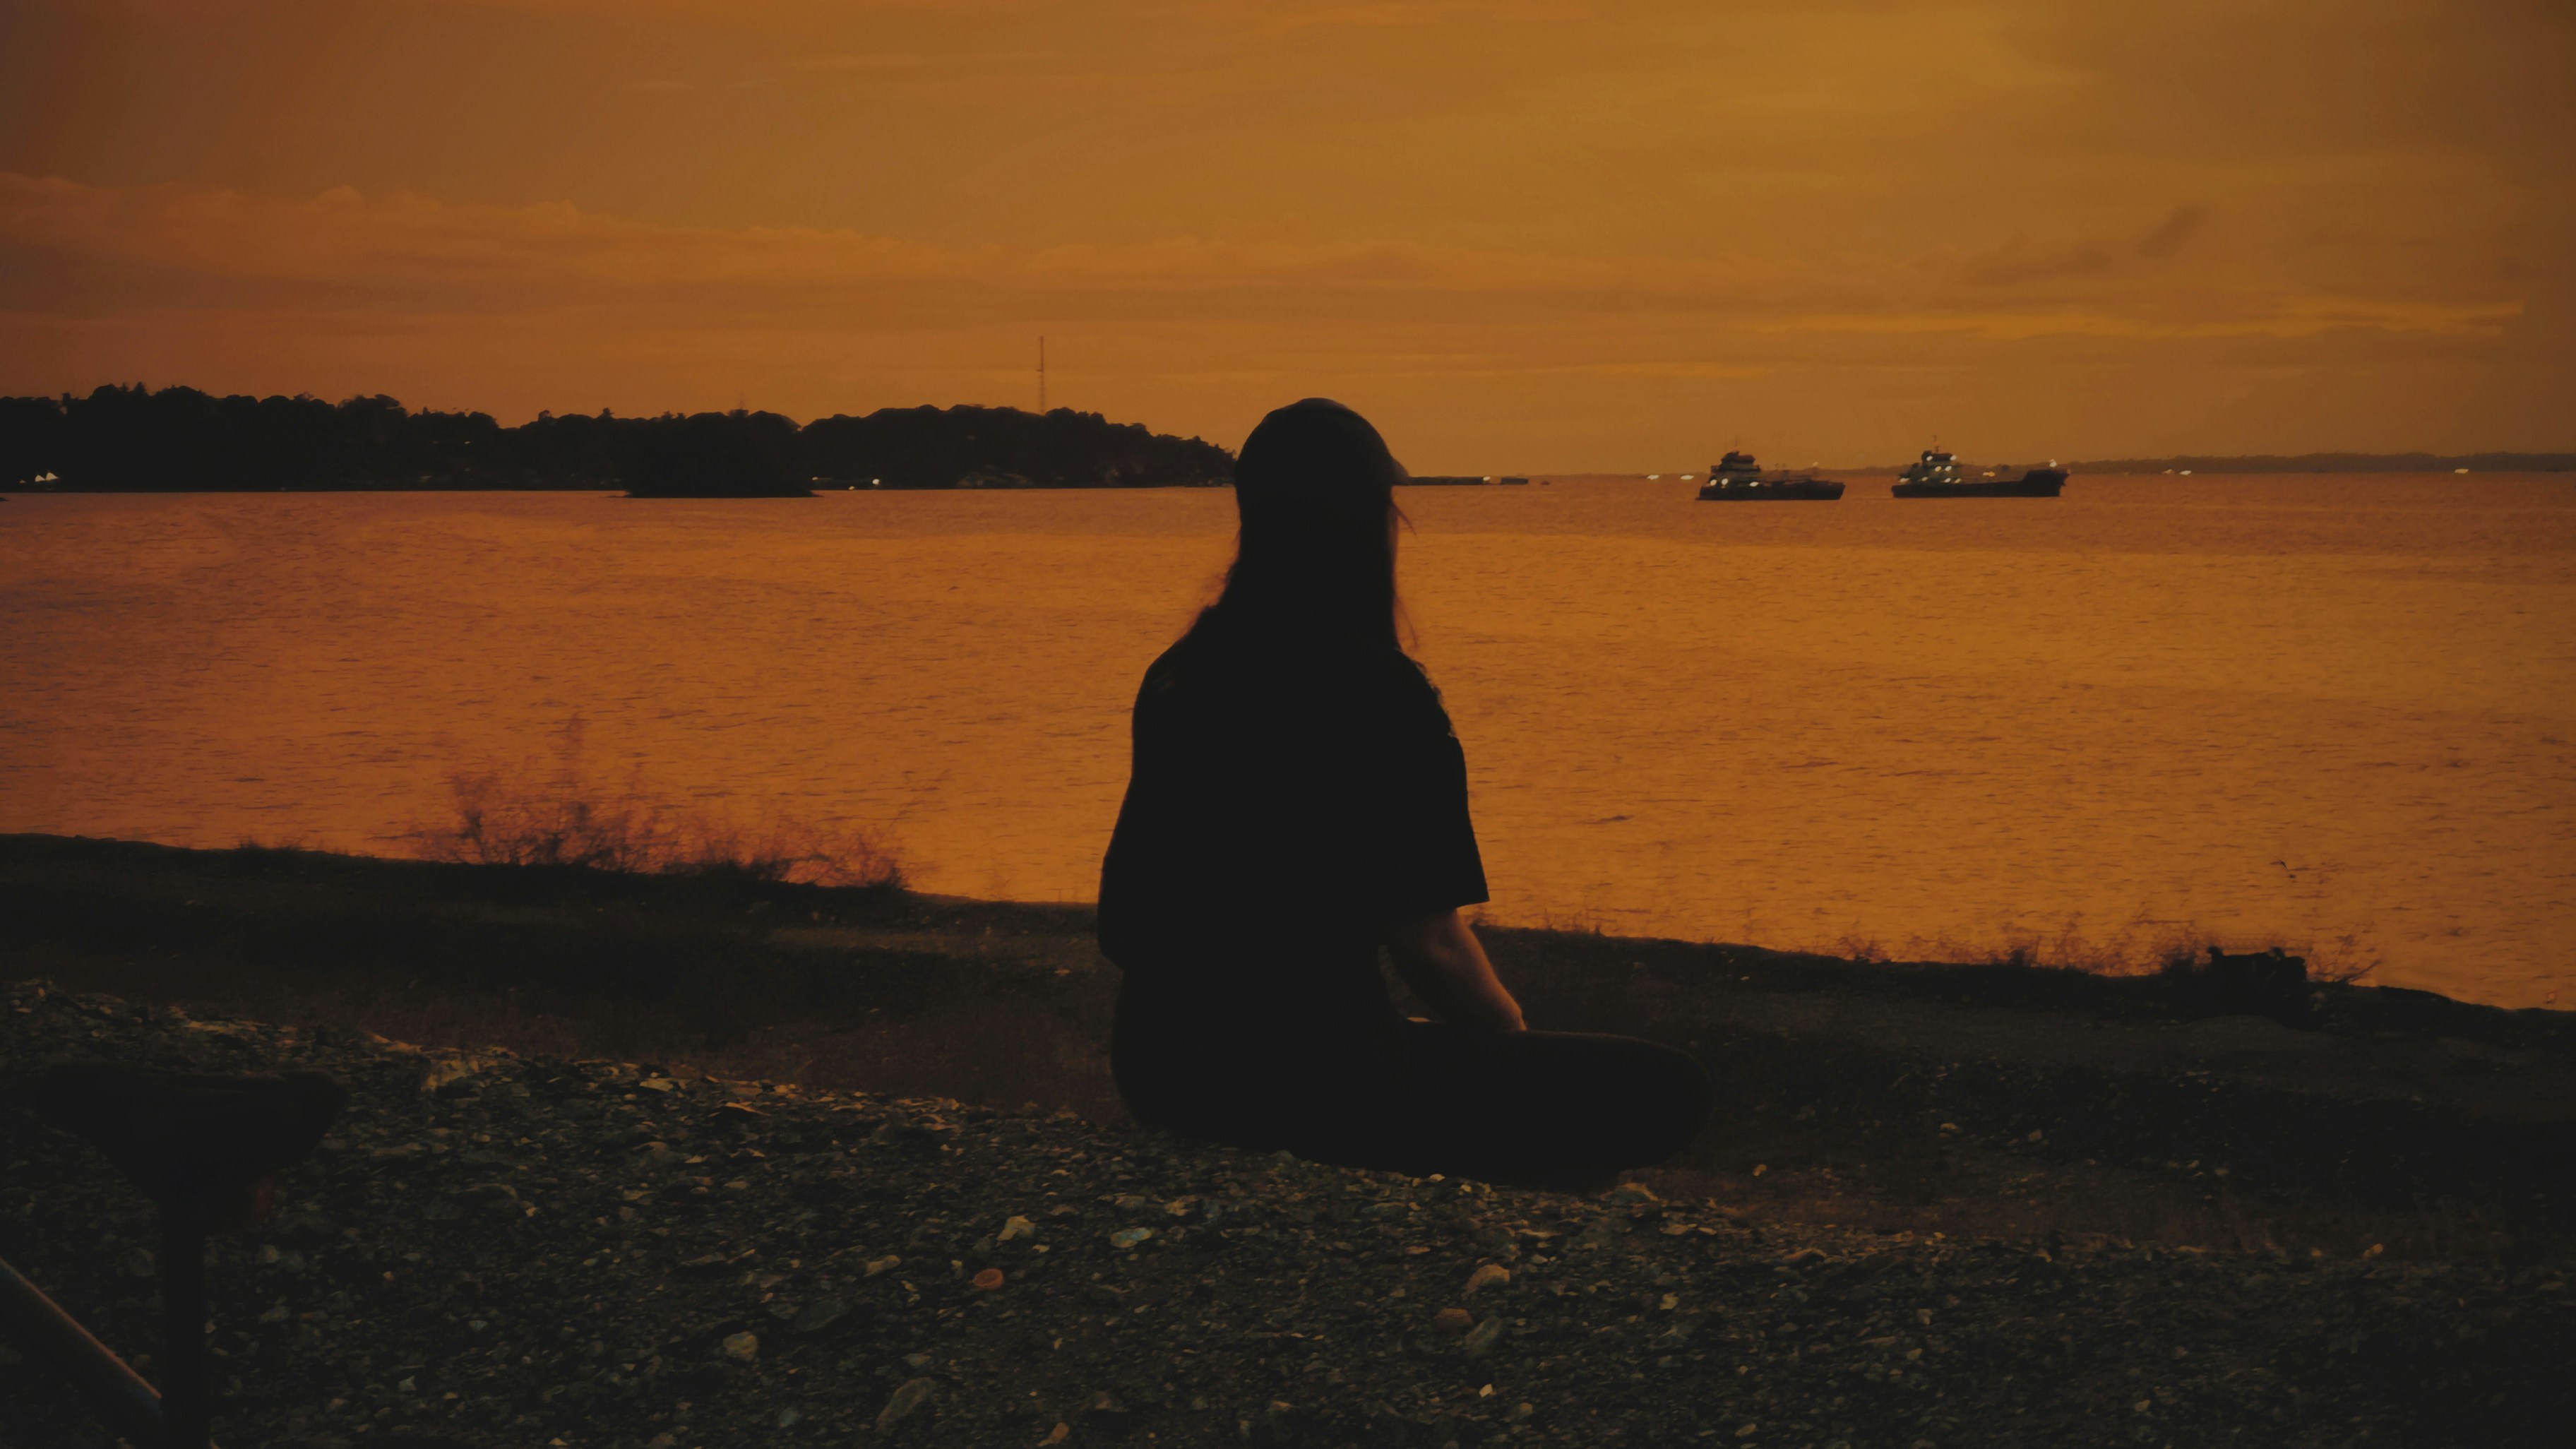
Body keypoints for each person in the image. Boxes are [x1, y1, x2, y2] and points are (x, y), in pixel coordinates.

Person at [1098, 398, 1712, 1188]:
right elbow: (1429, 942)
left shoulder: (1179, 673)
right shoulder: (1381, 694)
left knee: (1492, 1098)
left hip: (1162, 1072)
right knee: (1666, 1091)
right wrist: (1508, 1042)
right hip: (1320, 1084)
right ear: (1372, 523)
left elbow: (1125, 921)